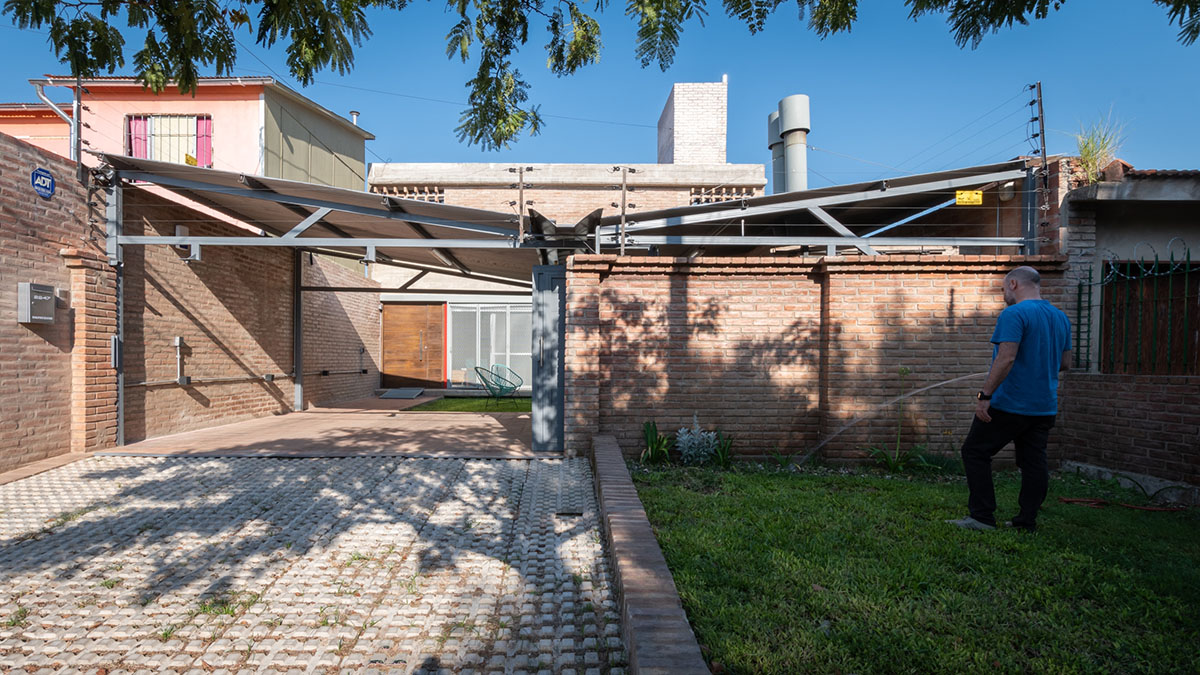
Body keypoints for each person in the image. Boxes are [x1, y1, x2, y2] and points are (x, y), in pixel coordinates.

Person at [947, 266, 1071, 532]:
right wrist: (1036, 363)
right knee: (1033, 462)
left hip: (1011, 403)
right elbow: (1065, 363)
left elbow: (1006, 358)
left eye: (1003, 288)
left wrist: (985, 395)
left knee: (975, 451)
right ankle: (1026, 522)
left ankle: (982, 517)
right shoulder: (1060, 317)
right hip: (1044, 407)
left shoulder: (1014, 313)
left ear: (1013, 284)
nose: (1004, 294)